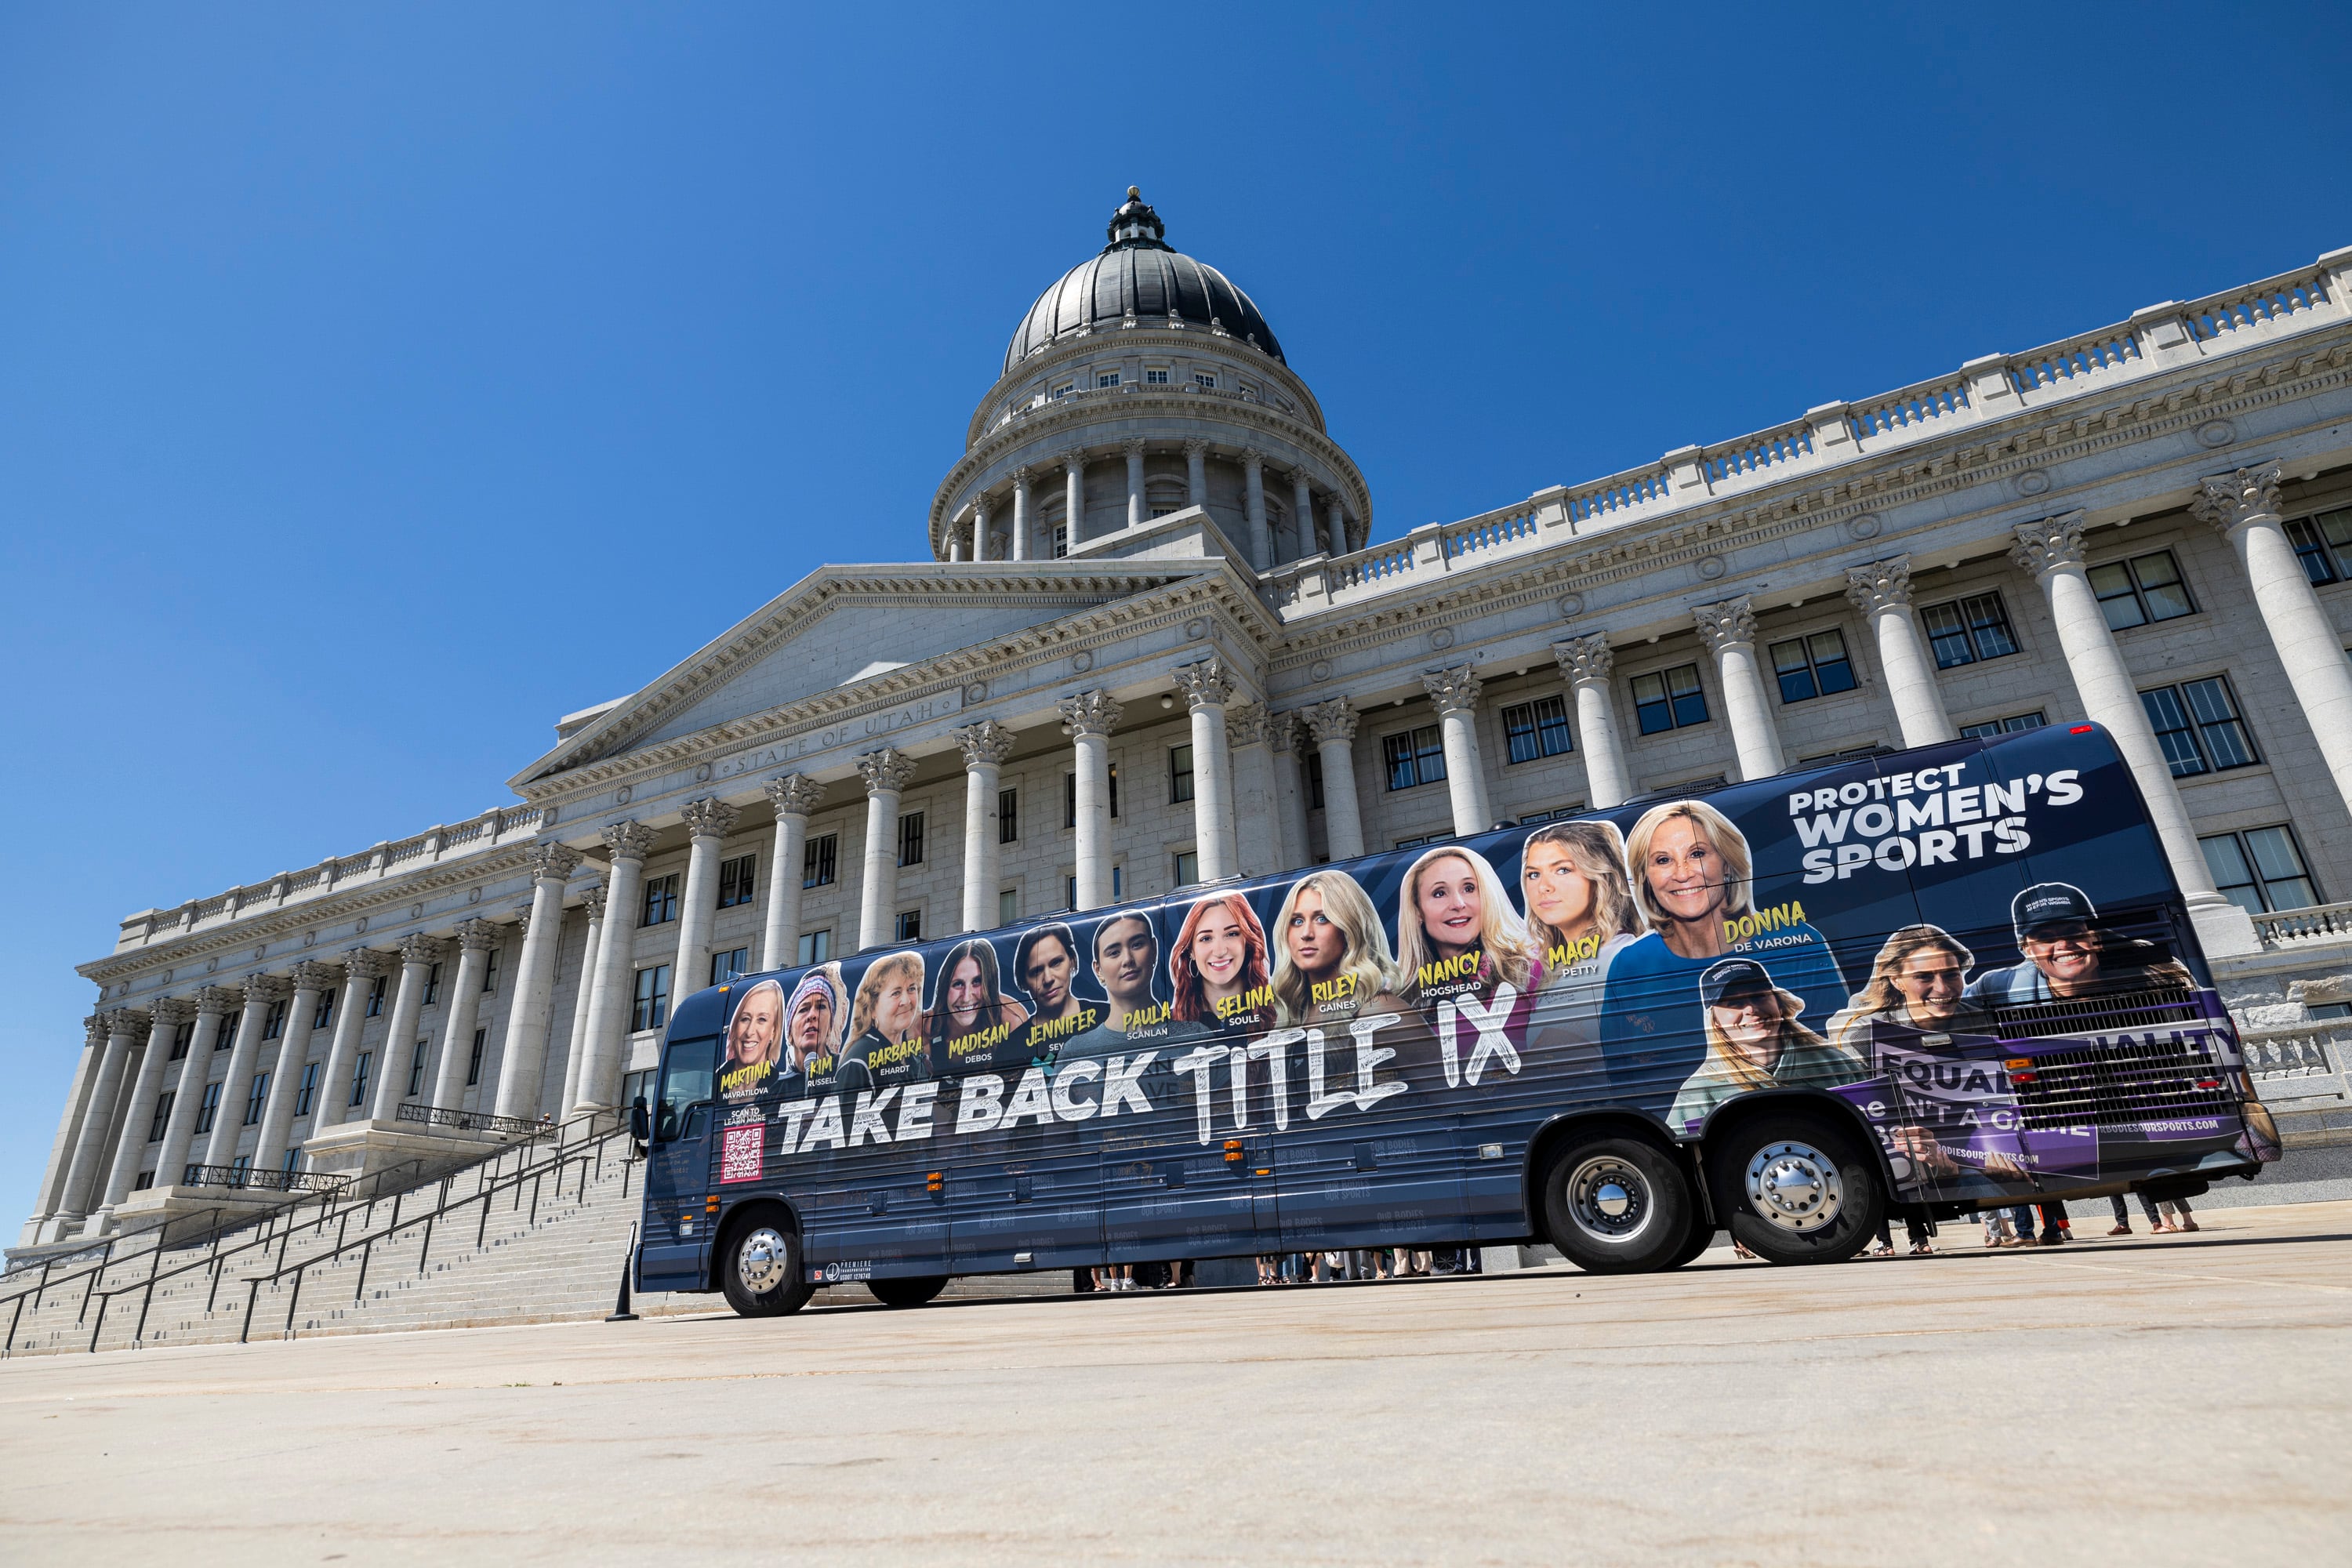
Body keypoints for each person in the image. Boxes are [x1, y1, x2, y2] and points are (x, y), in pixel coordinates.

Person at [1599, 800, 1846, 1102]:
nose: (1683, 873)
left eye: (1697, 854)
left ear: (1727, 863)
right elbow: (1619, 1073)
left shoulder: (1797, 941)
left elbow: (1839, 1047)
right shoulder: (1631, 965)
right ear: (1646, 878)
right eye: (1663, 860)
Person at [1666, 959, 1867, 1131]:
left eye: (1759, 995)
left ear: (1778, 1003)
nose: (1751, 1008)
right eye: (1734, 1003)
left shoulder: (1835, 1063)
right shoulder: (1700, 1091)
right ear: (1716, 1021)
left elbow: (1878, 1126)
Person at [1964, 883, 2197, 1006]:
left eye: (2073, 932)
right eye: (2046, 938)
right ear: (2027, 949)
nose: (2064, 944)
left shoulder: (2153, 970)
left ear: (2095, 937)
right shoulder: (1998, 986)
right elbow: (1947, 1010)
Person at [1269, 870, 1403, 1028]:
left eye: (1322, 919)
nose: (1306, 934)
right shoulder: (1291, 1013)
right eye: (1297, 921)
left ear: (1350, 929)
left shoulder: (1378, 1008)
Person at [1519, 820, 1644, 988]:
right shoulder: (1543, 967)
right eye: (1534, 874)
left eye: (1563, 870)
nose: (1543, 887)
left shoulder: (1625, 955)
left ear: (1600, 878)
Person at [1065, 913, 1196, 1056]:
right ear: (1098, 970)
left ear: (1154, 950)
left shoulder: (1195, 1035)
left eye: (1137, 945)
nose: (1127, 959)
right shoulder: (1076, 1050)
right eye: (1114, 953)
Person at [1171, 892, 1274, 1035]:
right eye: (1206, 938)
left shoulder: (1279, 1011)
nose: (1220, 951)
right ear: (1191, 951)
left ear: (1248, 942)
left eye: (1232, 934)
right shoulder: (1174, 1023)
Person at [924, 939, 1031, 1075]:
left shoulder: (1010, 1019)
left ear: (989, 985)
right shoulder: (929, 1026)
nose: (966, 997)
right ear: (945, 987)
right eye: (958, 984)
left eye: (977, 982)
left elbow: (1036, 1065)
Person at [839, 951, 931, 1093]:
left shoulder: (915, 1059)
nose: (906, 1001)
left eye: (912, 989)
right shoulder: (858, 1060)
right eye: (896, 993)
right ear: (872, 1007)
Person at [1011, 923, 1102, 1060]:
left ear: (1071, 961)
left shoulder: (1106, 1017)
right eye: (1036, 971)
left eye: (1056, 963)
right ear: (1024, 981)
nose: (1048, 979)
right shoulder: (1011, 1046)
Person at [782, 964, 848, 1094]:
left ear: (830, 1025)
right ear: (789, 1032)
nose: (812, 1015)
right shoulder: (777, 1091)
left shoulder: (846, 1070)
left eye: (821, 1007)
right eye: (803, 1009)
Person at [717, 977, 786, 1102]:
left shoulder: (780, 1087)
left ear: (774, 1032)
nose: (749, 1032)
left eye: (762, 1020)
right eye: (745, 1019)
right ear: (734, 1027)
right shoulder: (715, 1081)